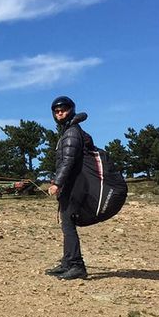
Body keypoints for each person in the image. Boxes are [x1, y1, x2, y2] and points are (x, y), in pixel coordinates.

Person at [44, 95, 93, 280]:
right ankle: (67, 262)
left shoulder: (72, 132)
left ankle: (76, 266)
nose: (59, 113)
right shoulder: (68, 130)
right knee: (66, 224)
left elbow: (69, 161)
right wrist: (56, 179)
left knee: (68, 224)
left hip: (74, 187)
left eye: (63, 110)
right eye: (56, 111)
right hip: (71, 185)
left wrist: (57, 183)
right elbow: (64, 162)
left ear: (71, 109)